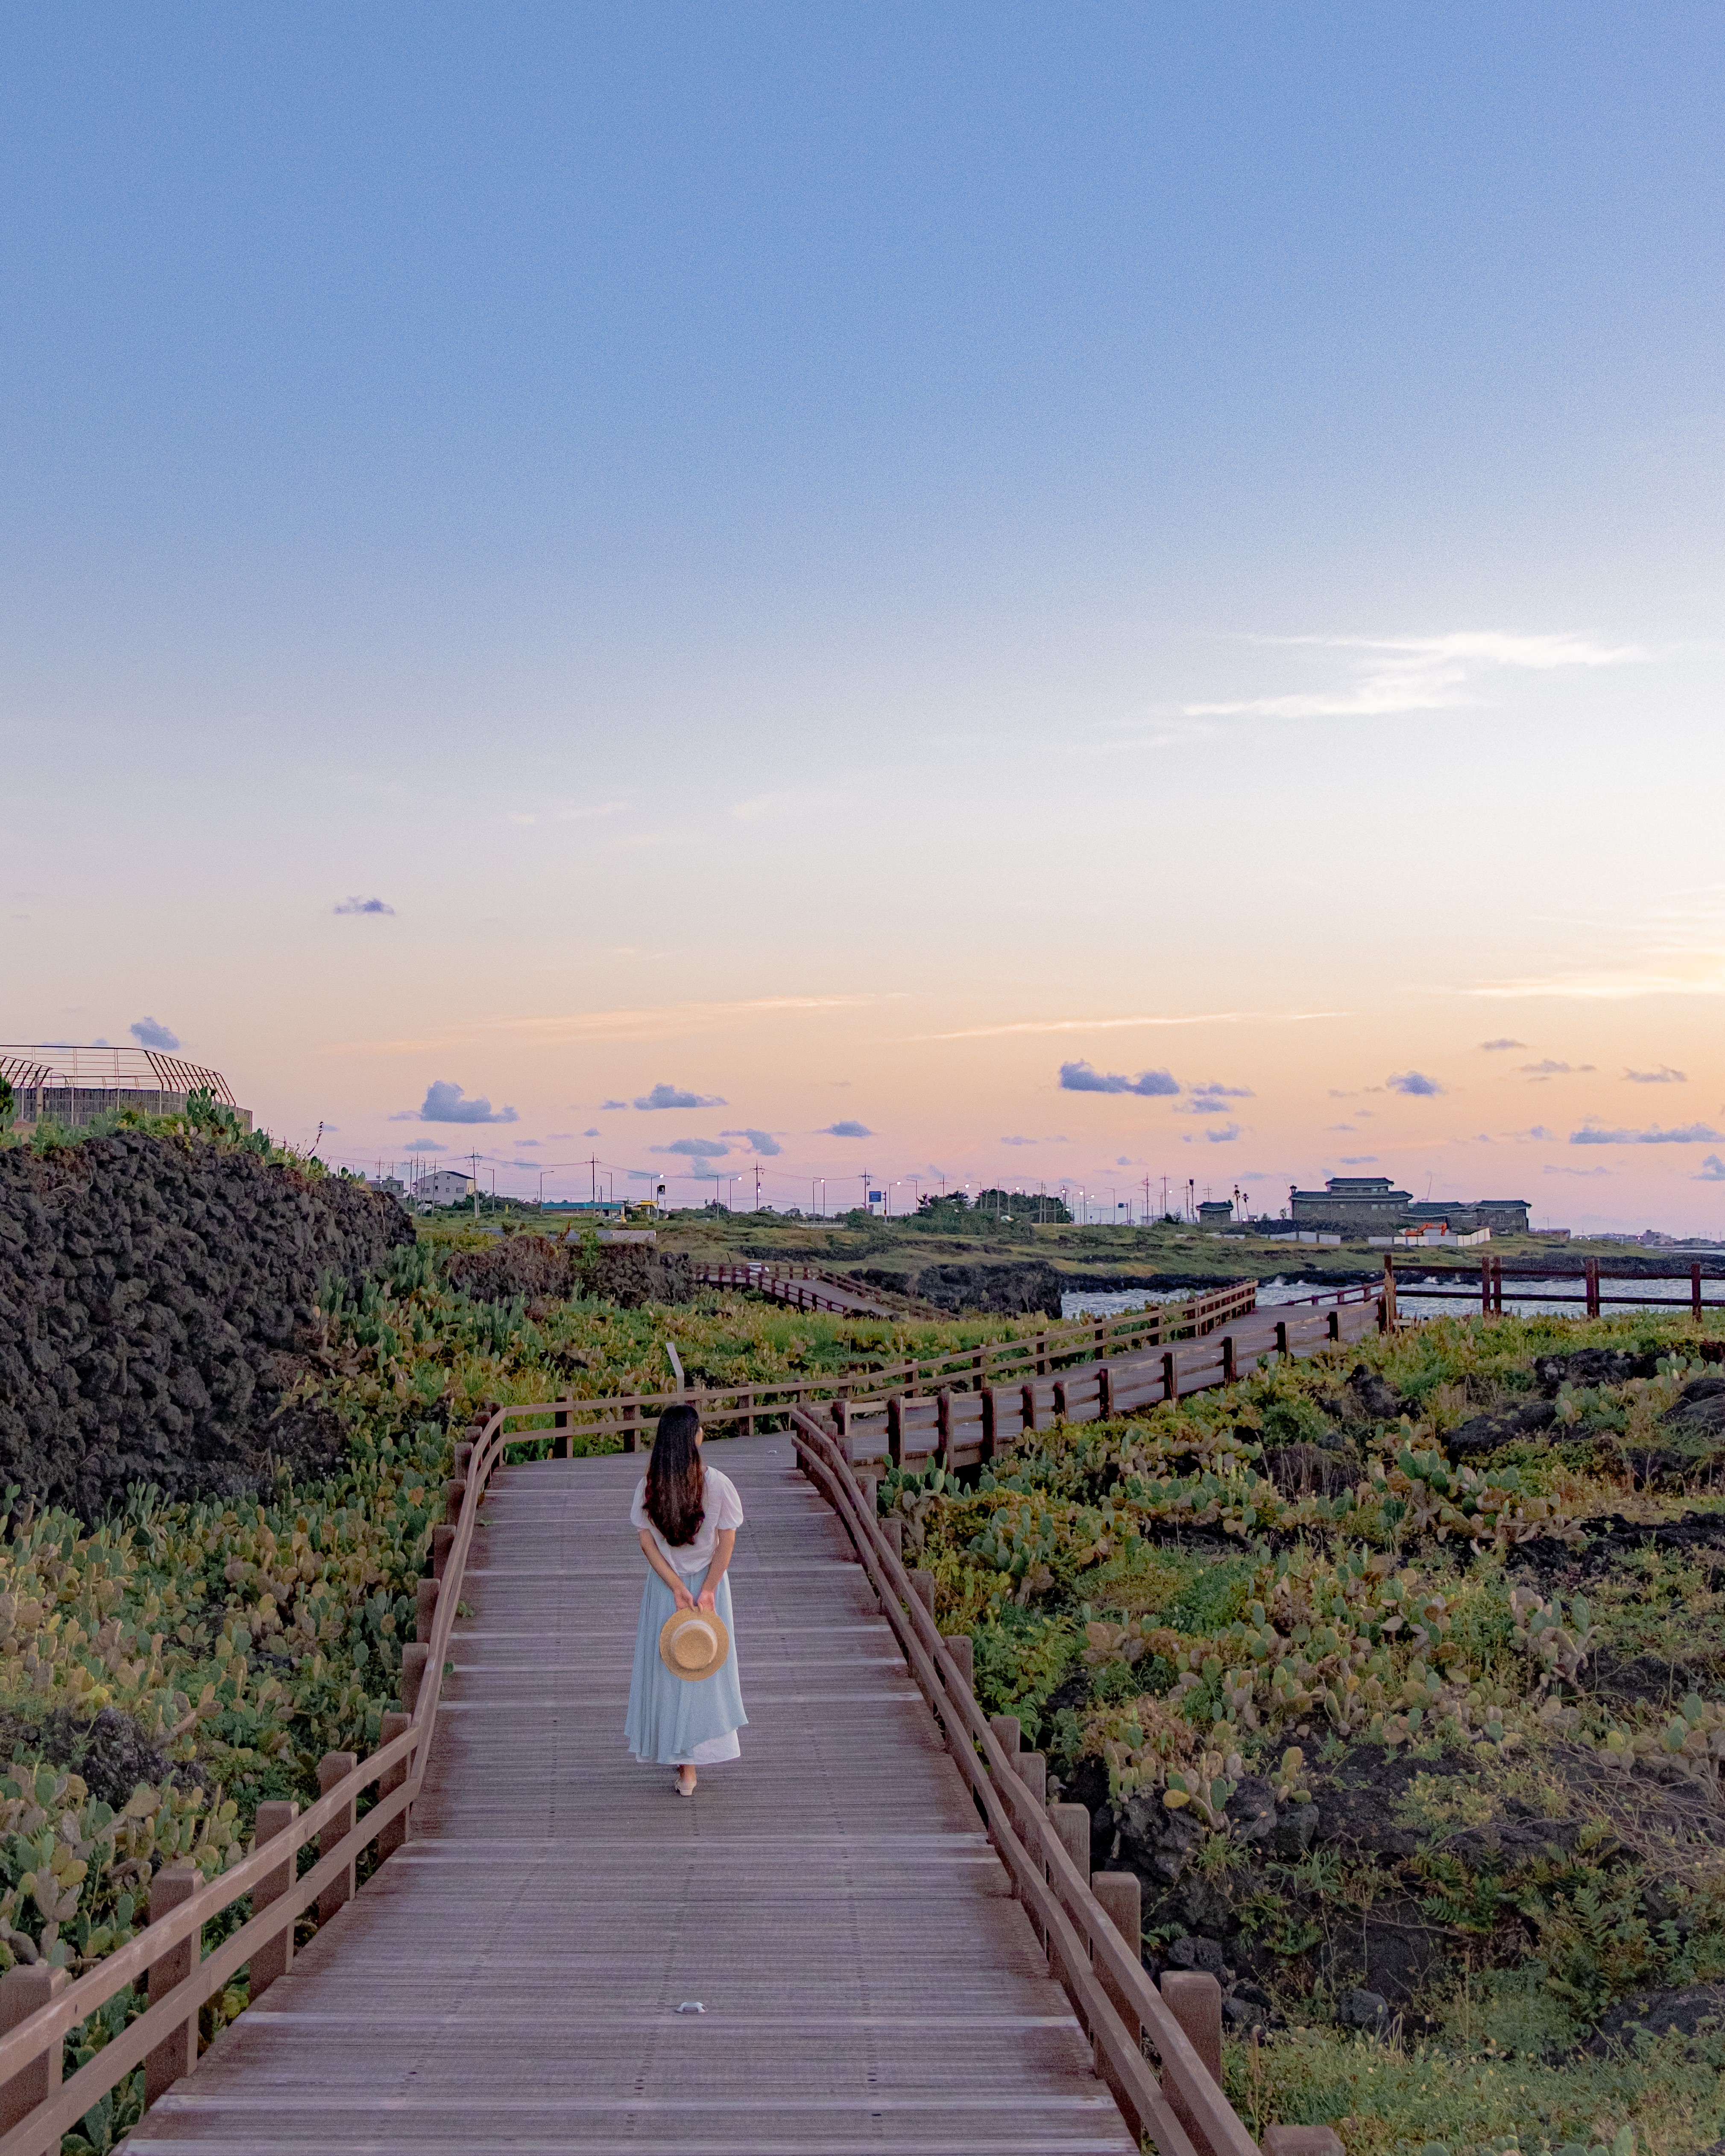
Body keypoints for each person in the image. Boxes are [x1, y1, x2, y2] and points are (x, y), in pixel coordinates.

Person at [624, 1403, 747, 1795]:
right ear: (695, 1437)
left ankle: (684, 1766)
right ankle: (693, 1761)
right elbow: (726, 1539)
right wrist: (707, 1588)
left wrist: (676, 1585)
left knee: (671, 1667)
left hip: (666, 1590)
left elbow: (646, 1542)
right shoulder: (718, 1483)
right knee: (703, 1665)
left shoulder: (650, 1485)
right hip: (709, 1589)